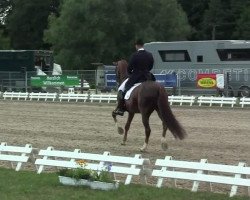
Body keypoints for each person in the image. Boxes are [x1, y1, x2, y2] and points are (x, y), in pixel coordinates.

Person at [113, 39, 155, 116]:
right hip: (148, 77)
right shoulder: (149, 55)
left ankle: (121, 108)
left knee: (122, 89)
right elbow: (151, 66)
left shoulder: (135, 55)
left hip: (136, 77)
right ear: (143, 45)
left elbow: (129, 68)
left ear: (136, 46)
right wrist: (146, 71)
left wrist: (131, 73)